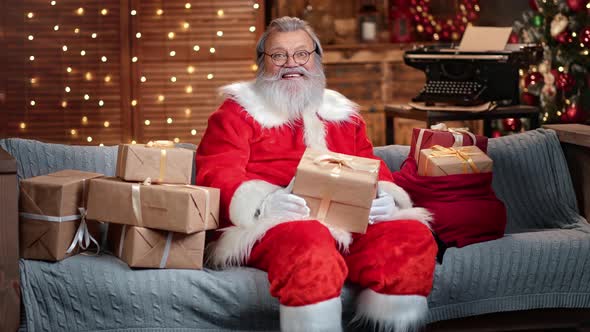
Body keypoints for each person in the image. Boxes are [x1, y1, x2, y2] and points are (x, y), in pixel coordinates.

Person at [196, 16, 437, 332]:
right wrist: (264, 204)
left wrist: (385, 198)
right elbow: (216, 173)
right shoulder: (236, 113)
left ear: (316, 60)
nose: (291, 64)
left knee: (410, 236)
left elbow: (371, 165)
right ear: (263, 63)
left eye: (301, 54)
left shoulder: (343, 115)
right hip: (275, 226)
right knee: (310, 239)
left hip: (349, 223)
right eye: (279, 55)